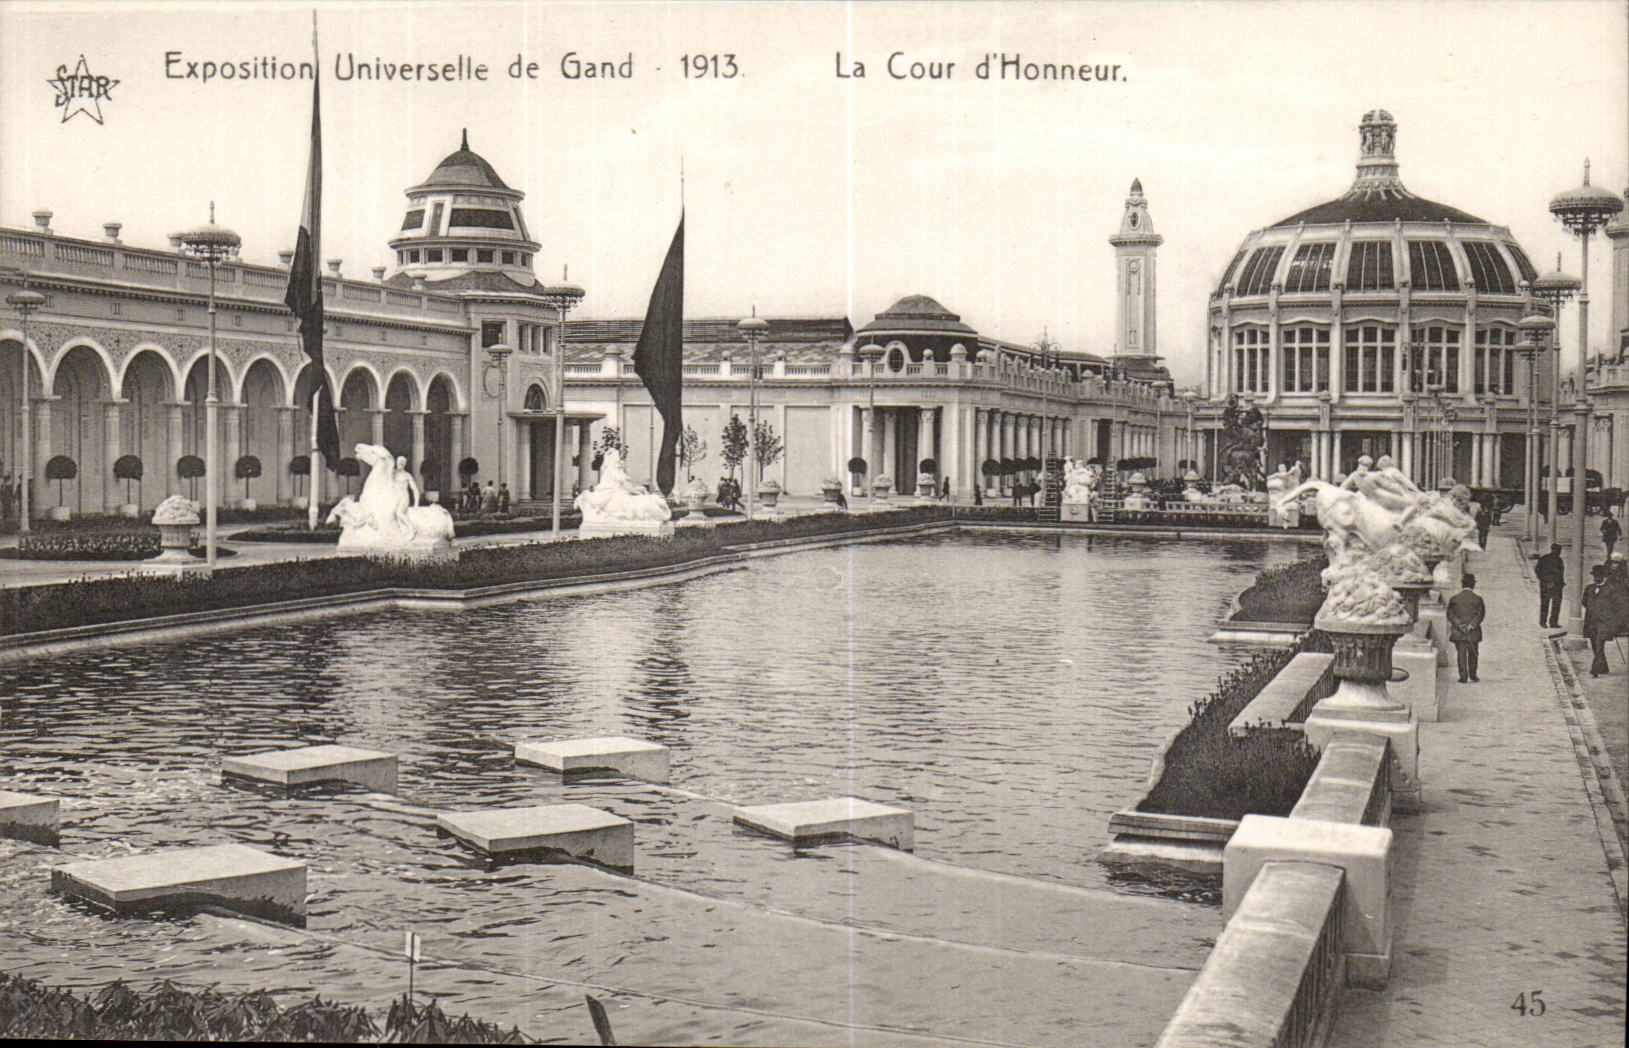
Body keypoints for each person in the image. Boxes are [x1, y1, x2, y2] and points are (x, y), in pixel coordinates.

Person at [1582, 564, 1623, 677]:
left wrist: (1612, 618)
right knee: (1595, 645)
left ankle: (1595, 669)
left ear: (1603, 576)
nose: (1596, 578)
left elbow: (1617, 606)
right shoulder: (1589, 588)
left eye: (1599, 576)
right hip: (1591, 621)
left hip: (1605, 622)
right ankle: (1604, 667)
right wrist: (1593, 609)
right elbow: (1584, 602)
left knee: (1599, 644)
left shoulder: (1611, 589)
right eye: (1595, 576)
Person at [1447, 572, 1487, 684]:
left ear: (1462, 584)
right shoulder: (1478, 599)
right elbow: (1480, 615)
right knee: (1473, 653)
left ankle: (1463, 677)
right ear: (1473, 584)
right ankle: (1473, 675)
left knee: (1461, 654)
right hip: (1473, 632)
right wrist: (1471, 626)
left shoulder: (1454, 599)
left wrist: (1460, 625)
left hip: (1459, 632)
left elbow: (1450, 614)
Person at [1535, 543, 1566, 629]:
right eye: (1556, 550)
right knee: (1545, 604)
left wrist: (1562, 582)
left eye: (1559, 551)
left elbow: (1560, 573)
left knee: (1556, 605)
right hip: (1546, 586)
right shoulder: (1544, 559)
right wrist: (1546, 581)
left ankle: (1553, 622)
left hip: (1557, 586)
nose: (1558, 552)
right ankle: (1543, 622)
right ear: (1552, 550)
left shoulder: (1559, 560)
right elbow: (1538, 571)